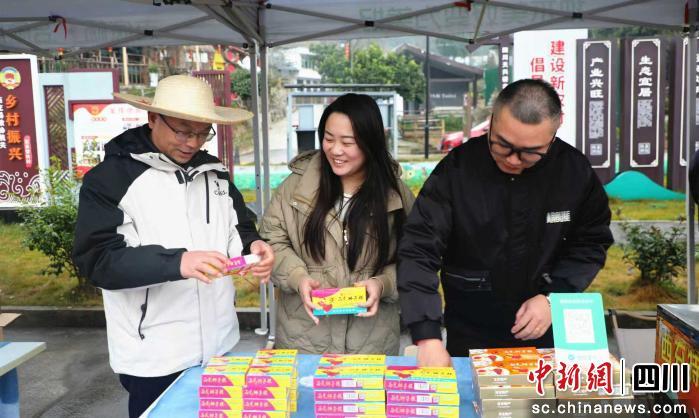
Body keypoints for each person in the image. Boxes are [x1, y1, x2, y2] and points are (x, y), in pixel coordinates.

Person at [72, 75, 274, 417]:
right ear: (153, 118)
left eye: (203, 132)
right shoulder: (109, 180)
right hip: (154, 356)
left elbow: (239, 229)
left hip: (219, 345)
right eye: (182, 131)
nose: (192, 142)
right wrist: (177, 263)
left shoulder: (215, 174)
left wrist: (253, 249)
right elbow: (99, 260)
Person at [397, 79, 613, 366]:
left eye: (530, 152)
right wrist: (427, 336)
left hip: (545, 329)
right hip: (471, 327)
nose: (513, 160)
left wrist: (554, 297)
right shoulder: (458, 170)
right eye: (502, 145)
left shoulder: (573, 173)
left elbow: (591, 241)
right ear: (492, 120)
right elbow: (419, 248)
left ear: (555, 130)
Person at [260, 93, 414, 355]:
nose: (335, 150)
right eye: (329, 139)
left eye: (348, 142)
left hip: (371, 345)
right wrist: (298, 277)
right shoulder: (295, 188)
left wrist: (383, 284)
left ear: (370, 143)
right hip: (304, 341)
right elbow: (271, 241)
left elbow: (416, 258)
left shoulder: (395, 194)